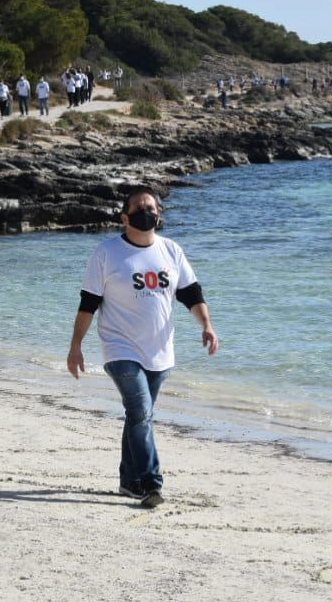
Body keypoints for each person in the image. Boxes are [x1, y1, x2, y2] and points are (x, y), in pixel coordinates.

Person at [66, 186, 220, 508]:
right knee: (141, 412)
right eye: (138, 206)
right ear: (124, 217)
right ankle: (151, 483)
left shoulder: (171, 251)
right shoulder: (107, 253)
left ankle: (128, 480)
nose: (145, 211)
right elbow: (88, 303)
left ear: (159, 214)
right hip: (119, 348)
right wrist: (76, 345)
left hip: (160, 352)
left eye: (151, 206)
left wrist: (206, 325)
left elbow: (191, 293)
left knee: (138, 417)